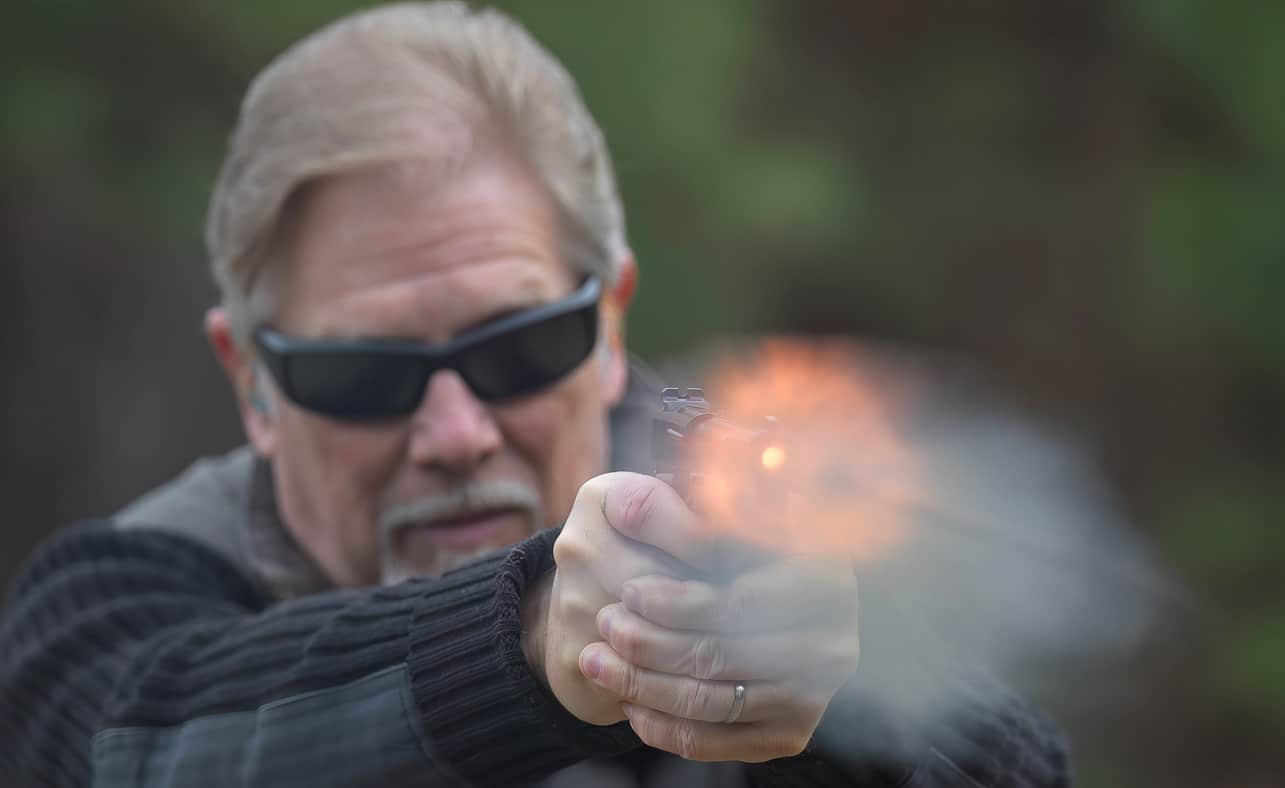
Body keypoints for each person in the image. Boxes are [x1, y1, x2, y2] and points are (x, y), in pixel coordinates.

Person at [0, 3, 1069, 786]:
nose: (457, 432)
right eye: (365, 374)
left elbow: (1013, 757)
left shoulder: (739, 504)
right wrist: (530, 637)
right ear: (253, 381)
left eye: (516, 345)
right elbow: (116, 737)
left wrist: (836, 692)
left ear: (608, 321)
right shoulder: (123, 599)